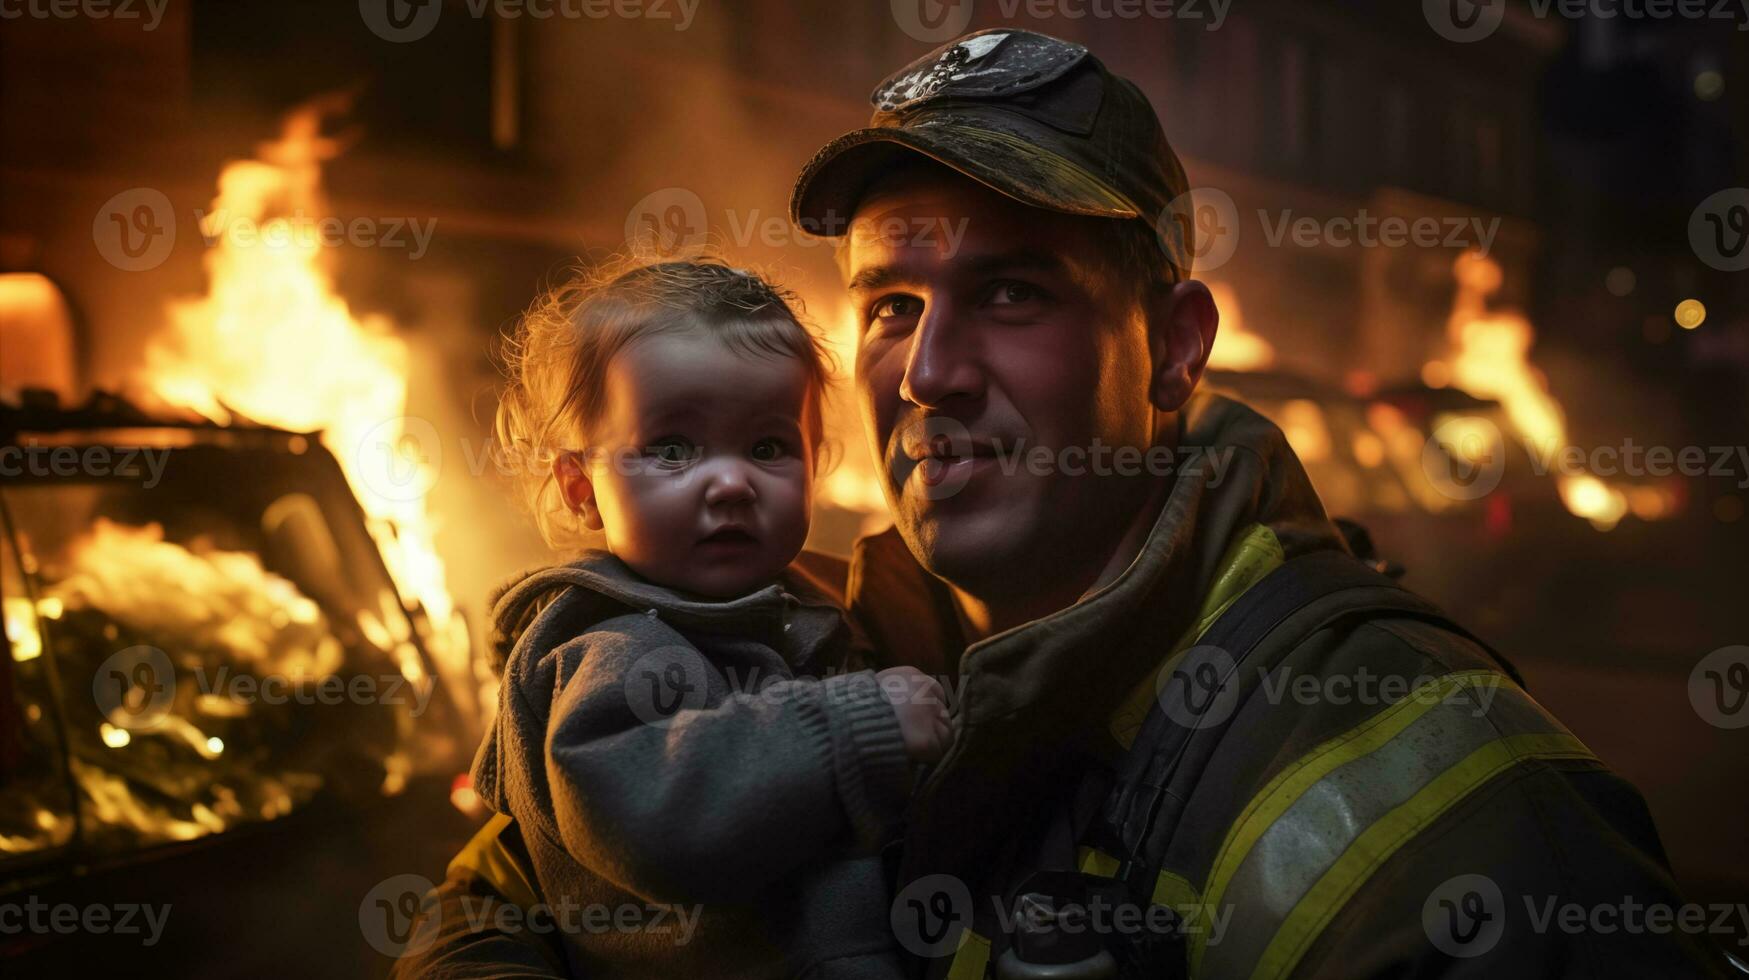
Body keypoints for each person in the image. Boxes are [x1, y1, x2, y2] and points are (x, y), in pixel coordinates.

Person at [396, 30, 1727, 979]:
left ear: (1174, 347)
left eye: (1013, 295)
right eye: (892, 308)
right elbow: (519, 888)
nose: (927, 373)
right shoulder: (824, 645)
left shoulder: (1448, 794)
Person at [449, 258, 950, 979]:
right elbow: (653, 821)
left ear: (817, 462)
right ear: (579, 488)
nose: (730, 482)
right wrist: (856, 725)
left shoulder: (807, 613)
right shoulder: (610, 644)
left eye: (769, 447)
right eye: (673, 448)